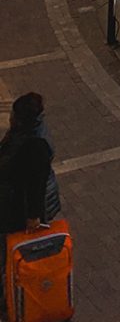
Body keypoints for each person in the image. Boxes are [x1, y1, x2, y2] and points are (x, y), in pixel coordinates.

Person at [0, 92, 60, 237]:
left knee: (19, 239)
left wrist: (34, 216)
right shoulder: (27, 130)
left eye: (13, 114)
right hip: (17, 198)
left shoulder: (36, 146)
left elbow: (36, 184)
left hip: (23, 205)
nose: (10, 117)